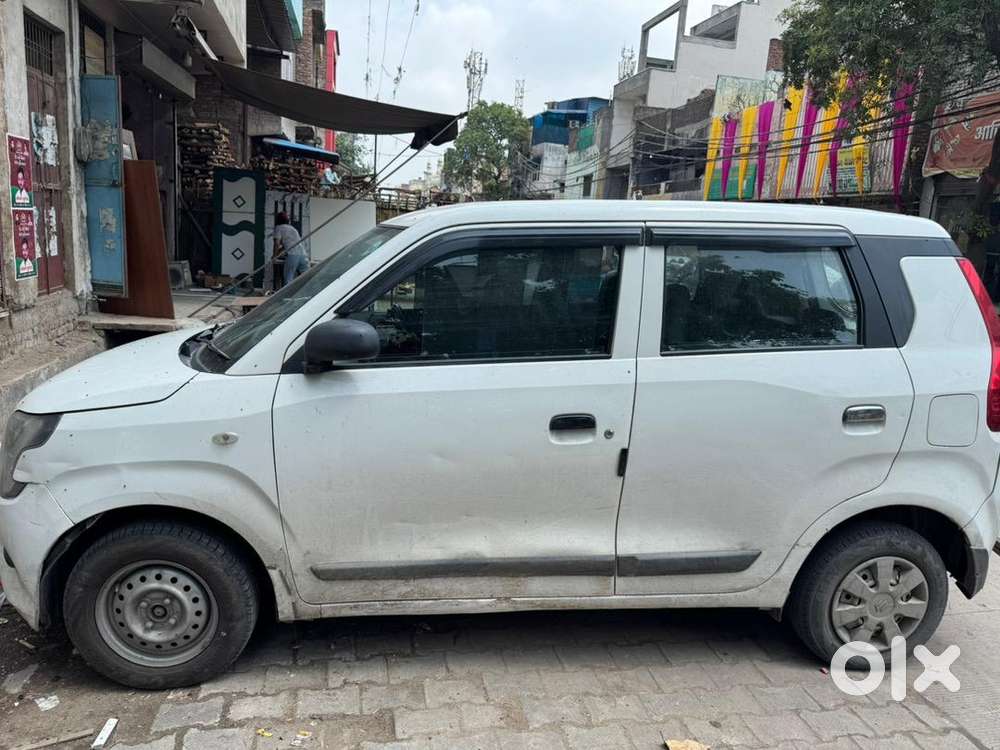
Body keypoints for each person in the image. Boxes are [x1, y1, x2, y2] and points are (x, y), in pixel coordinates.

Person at [273, 212, 307, 287]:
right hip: (303, 254)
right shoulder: (292, 228)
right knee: (306, 277)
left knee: (288, 278)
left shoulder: (279, 228)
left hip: (293, 255)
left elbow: (277, 243)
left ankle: (287, 297)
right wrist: (278, 253)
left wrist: (275, 256)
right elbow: (288, 245)